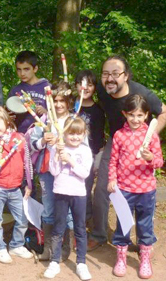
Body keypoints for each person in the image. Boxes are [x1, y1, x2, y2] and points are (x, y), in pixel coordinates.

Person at [88, 55, 166, 251]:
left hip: (140, 143)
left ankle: (143, 241)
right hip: (116, 140)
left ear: (126, 76)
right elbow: (84, 89)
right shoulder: (102, 88)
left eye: (116, 74)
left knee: (140, 192)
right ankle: (99, 234)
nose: (110, 78)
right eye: (105, 73)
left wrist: (147, 137)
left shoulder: (142, 93)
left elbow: (164, 112)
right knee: (101, 188)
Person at [107, 94, 163, 279]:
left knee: (145, 225)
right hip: (124, 189)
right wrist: (112, 179)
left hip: (146, 189)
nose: (135, 119)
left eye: (139, 115)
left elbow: (159, 161)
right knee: (123, 224)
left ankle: (144, 258)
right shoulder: (119, 135)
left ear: (146, 115)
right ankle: (121, 257)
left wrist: (150, 158)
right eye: (131, 115)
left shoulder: (152, 136)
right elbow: (113, 160)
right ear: (125, 114)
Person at [29, 82, 76, 261]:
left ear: (69, 101)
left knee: (68, 209)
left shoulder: (74, 120)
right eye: (55, 100)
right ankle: (48, 248)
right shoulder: (45, 120)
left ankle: (66, 248)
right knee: (48, 208)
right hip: (47, 170)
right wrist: (43, 141)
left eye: (62, 100)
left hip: (68, 173)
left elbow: (83, 144)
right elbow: (33, 143)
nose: (58, 104)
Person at [43, 117, 93, 280]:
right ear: (64, 134)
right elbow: (54, 171)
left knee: (79, 228)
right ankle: (55, 261)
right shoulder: (58, 148)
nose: (75, 137)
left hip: (78, 194)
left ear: (84, 134)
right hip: (61, 192)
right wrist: (58, 155)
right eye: (71, 134)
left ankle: (81, 263)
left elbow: (85, 173)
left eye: (79, 134)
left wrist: (70, 160)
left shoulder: (85, 150)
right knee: (58, 228)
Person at [0, 106, 33, 264]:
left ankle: (16, 245)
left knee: (23, 218)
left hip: (15, 188)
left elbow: (27, 162)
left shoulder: (20, 138)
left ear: (6, 120)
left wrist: (29, 183)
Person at [74, 70, 105, 221]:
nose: (85, 88)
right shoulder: (70, 106)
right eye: (81, 84)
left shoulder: (98, 111)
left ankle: (85, 218)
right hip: (69, 155)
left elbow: (99, 138)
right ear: (76, 86)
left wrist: (95, 160)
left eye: (89, 85)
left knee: (85, 187)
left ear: (94, 88)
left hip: (88, 156)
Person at [7, 50, 51, 133]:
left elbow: (58, 114)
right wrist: (8, 117)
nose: (22, 73)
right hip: (21, 135)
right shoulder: (15, 91)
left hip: (43, 134)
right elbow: (9, 116)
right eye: (19, 69)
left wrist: (46, 112)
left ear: (35, 69)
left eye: (26, 69)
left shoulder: (47, 87)